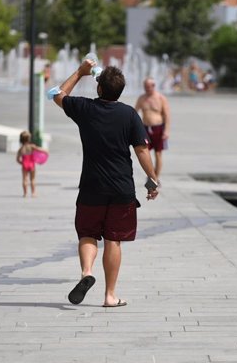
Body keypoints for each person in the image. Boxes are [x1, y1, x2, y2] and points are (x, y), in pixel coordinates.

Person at [48, 58, 159, 308]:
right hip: (121, 189)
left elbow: (55, 94)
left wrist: (80, 72)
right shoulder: (129, 114)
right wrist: (153, 180)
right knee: (113, 240)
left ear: (99, 88)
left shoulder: (84, 108)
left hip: (91, 186)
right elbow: (142, 150)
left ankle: (87, 273)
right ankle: (110, 296)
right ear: (120, 91)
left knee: (87, 233)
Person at [135, 77, 171, 182]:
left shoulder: (161, 98)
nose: (146, 89)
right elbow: (134, 112)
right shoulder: (142, 98)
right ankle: (151, 175)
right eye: (145, 87)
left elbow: (167, 116)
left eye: (148, 87)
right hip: (145, 129)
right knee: (145, 153)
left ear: (153, 86)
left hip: (158, 129)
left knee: (158, 154)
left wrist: (166, 131)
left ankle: (156, 178)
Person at [16, 131, 48, 197]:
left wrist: (22, 163)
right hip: (31, 164)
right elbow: (40, 149)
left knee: (25, 179)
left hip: (25, 164)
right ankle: (33, 193)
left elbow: (17, 159)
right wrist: (46, 152)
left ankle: (25, 193)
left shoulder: (21, 149)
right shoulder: (32, 146)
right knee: (32, 179)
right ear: (29, 139)